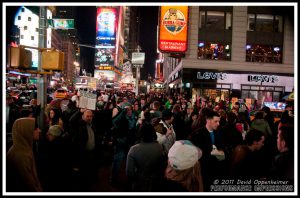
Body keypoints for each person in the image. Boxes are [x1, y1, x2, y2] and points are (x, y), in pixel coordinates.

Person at [126, 123, 166, 191]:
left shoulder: (134, 149)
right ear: (153, 133)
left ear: (140, 134)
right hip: (156, 183)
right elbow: (162, 166)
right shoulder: (160, 147)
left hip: (139, 183)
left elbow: (129, 172)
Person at [6, 117, 43, 192]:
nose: (39, 130)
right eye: (36, 128)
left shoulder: (23, 148)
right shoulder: (21, 156)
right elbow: (30, 185)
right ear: (26, 131)